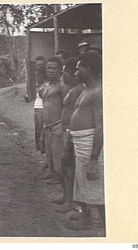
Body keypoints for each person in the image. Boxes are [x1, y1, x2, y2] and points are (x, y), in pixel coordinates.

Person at [67, 52, 104, 230]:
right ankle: (87, 219)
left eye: (78, 69)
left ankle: (107, 226)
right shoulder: (86, 90)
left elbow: (101, 126)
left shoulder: (99, 91)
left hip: (90, 144)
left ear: (88, 69)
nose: (75, 73)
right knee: (82, 182)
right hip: (81, 143)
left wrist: (94, 158)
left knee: (96, 184)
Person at [55, 57, 86, 213]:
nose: (63, 75)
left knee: (70, 168)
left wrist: (70, 135)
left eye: (65, 72)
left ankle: (72, 202)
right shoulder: (72, 89)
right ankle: (67, 197)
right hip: (67, 132)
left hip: (72, 133)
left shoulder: (79, 90)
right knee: (65, 166)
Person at [39, 56, 70, 192]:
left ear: (60, 70)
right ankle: (53, 175)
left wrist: (62, 125)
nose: (51, 71)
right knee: (50, 153)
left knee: (59, 158)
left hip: (58, 126)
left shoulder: (62, 86)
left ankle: (62, 183)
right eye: (48, 68)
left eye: (54, 68)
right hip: (48, 126)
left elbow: (66, 107)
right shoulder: (48, 86)